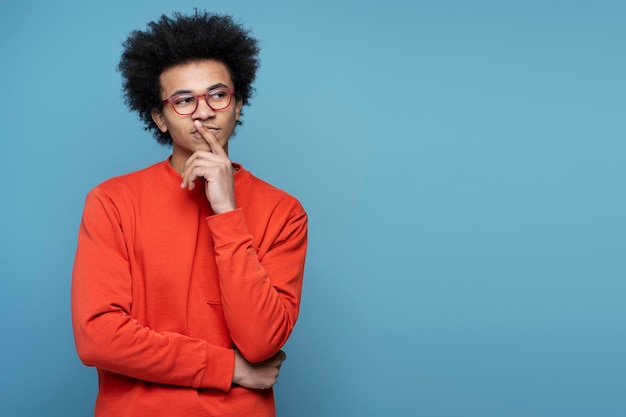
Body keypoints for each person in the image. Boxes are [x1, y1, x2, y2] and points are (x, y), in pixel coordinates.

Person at [71, 10, 308, 417]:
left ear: (238, 105)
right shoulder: (112, 201)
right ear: (159, 118)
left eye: (218, 95)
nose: (203, 112)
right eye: (183, 101)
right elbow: (98, 338)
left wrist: (226, 211)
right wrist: (228, 367)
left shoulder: (284, 212)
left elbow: (261, 342)